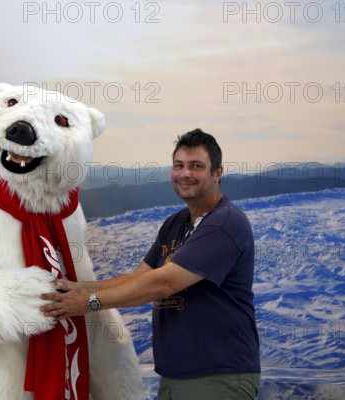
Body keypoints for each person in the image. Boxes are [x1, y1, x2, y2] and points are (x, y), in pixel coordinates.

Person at [41, 128, 261, 399]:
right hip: (175, 376)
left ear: (217, 172)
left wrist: (89, 302)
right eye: (179, 165)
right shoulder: (175, 224)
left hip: (216, 376)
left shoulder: (226, 222)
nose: (185, 174)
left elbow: (164, 283)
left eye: (196, 166)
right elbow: (138, 278)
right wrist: (74, 287)